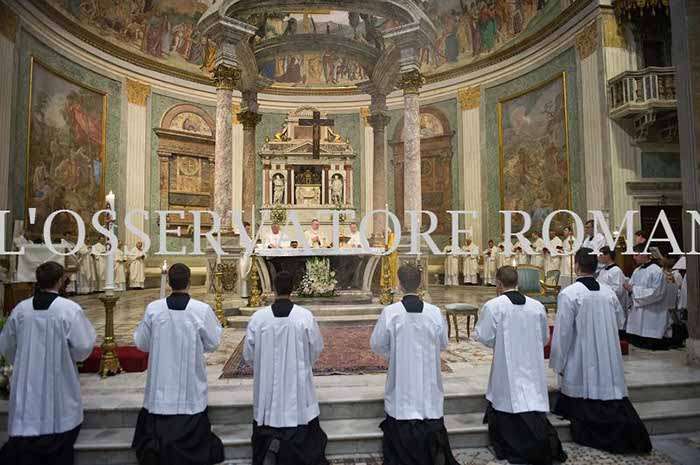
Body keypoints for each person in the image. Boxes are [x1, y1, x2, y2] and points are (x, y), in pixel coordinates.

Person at [550, 249, 651, 454]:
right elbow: (620, 321)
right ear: (596, 267)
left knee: (582, 386)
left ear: (576, 266)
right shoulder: (608, 293)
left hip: (581, 353)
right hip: (607, 354)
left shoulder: (569, 294)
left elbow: (562, 333)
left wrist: (558, 362)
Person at [0, 261, 96, 465]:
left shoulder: (21, 310)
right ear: (61, 281)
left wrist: (23, 361)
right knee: (60, 425)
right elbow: (83, 346)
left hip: (27, 382)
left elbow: (6, 345)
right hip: (60, 380)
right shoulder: (68, 309)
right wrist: (70, 357)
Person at [132, 263, 224, 465]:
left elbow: (142, 343)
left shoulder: (154, 309)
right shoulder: (201, 310)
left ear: (169, 282)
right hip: (190, 393)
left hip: (160, 390)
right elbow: (213, 342)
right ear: (189, 282)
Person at [474, 266, 567, 465]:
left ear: (498, 283)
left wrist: (500, 343)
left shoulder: (494, 306)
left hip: (506, 363)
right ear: (518, 283)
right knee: (530, 397)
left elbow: (484, 336)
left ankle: (515, 444)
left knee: (508, 397)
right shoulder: (536, 306)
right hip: (531, 362)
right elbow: (544, 337)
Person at [370, 265, 458, 465]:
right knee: (428, 403)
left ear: (399, 284)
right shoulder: (434, 312)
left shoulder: (391, 313)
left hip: (401, 374)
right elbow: (443, 342)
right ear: (420, 284)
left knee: (401, 403)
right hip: (428, 375)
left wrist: (395, 355)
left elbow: (377, 344)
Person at [243, 271, 328, 465]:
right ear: (293, 289)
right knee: (299, 408)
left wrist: (264, 369)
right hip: (296, 382)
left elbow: (249, 353)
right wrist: (303, 364)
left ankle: (269, 443)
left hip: (267, 384)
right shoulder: (304, 317)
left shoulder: (258, 318)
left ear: (273, 289)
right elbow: (316, 347)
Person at [624, 243, 670, 350]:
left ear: (644, 254)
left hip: (653, 311)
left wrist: (633, 290)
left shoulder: (656, 270)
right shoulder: (637, 270)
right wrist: (628, 288)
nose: (633, 257)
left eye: (636, 255)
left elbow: (656, 293)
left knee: (649, 336)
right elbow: (631, 286)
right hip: (638, 310)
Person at [597, 246, 629, 331]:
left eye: (601, 254)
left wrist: (602, 292)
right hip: (604, 304)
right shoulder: (603, 271)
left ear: (608, 255)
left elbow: (618, 291)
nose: (599, 257)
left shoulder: (616, 271)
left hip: (613, 306)